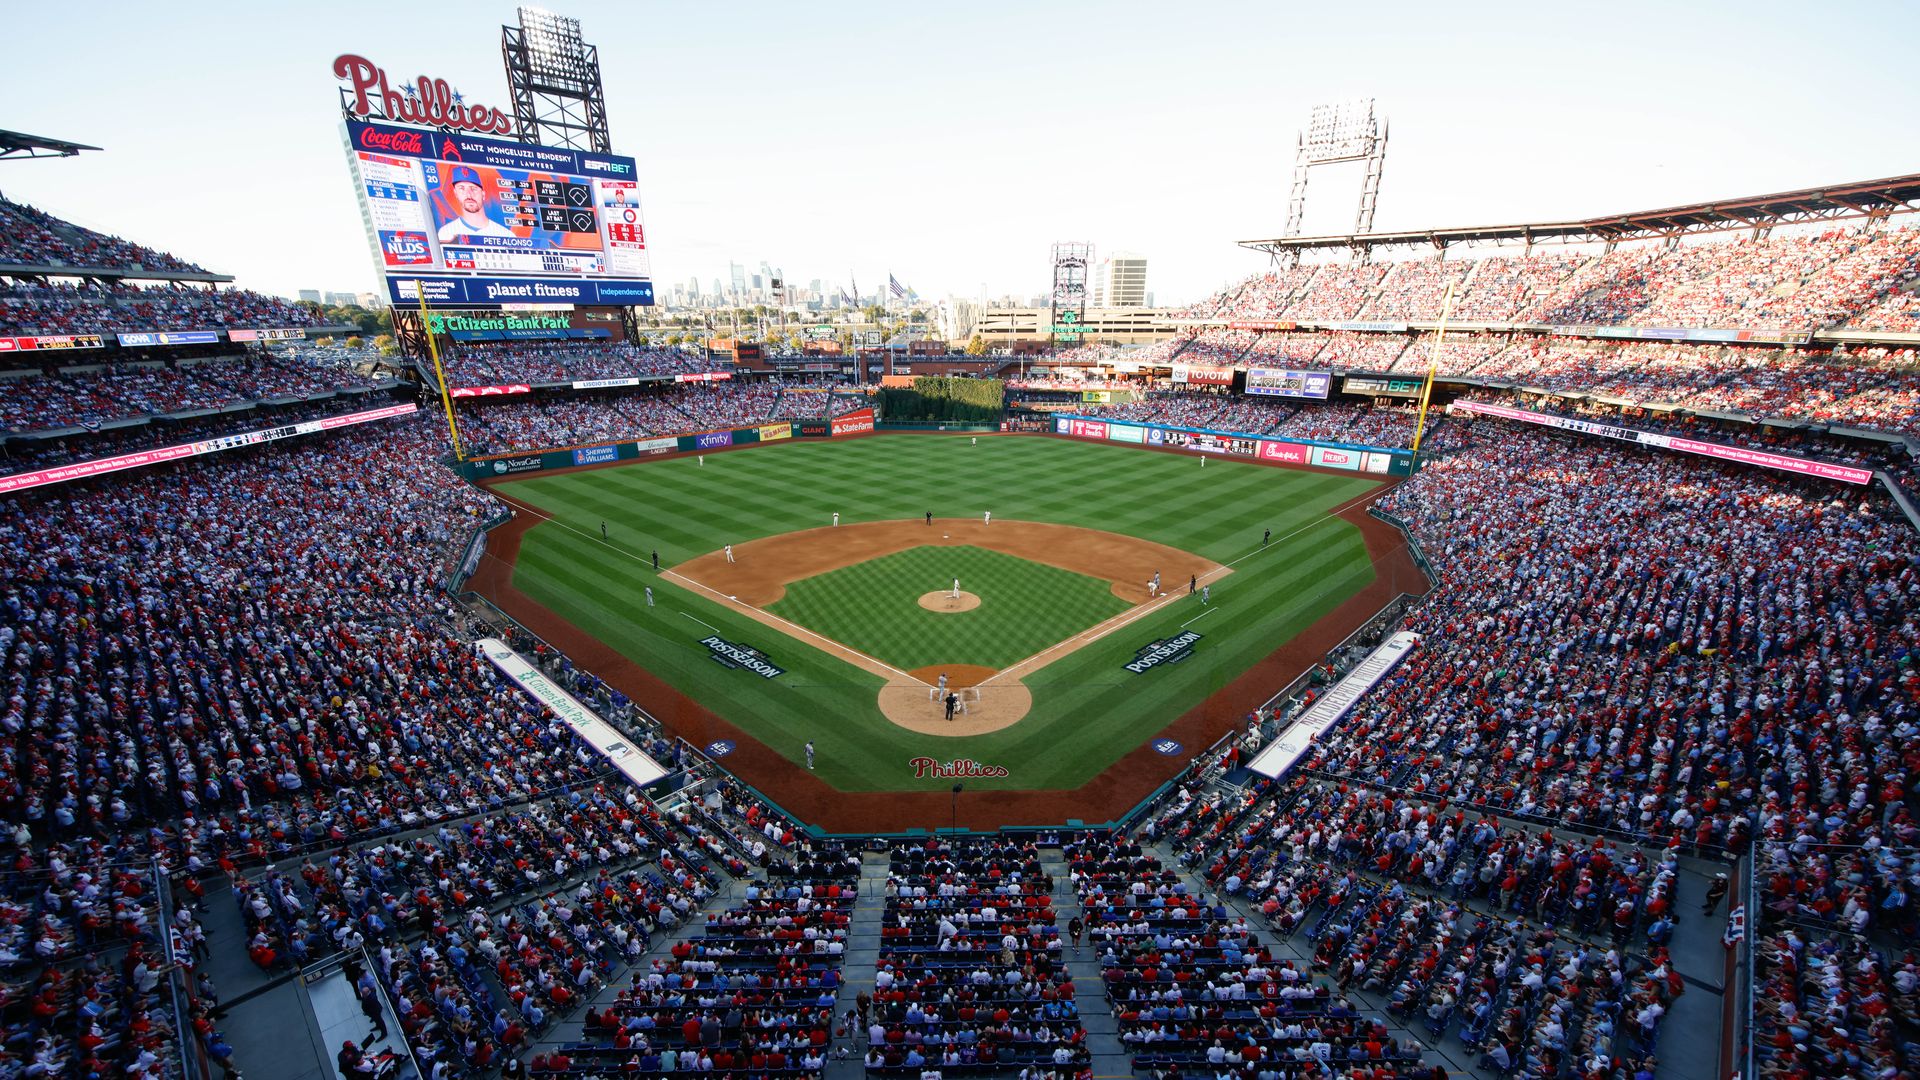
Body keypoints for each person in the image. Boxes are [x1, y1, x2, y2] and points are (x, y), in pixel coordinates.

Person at [437, 165, 516, 241]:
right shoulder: (446, 233)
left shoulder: (506, 235)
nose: (469, 194)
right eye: (462, 188)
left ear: (483, 195)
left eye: (473, 188)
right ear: (456, 194)